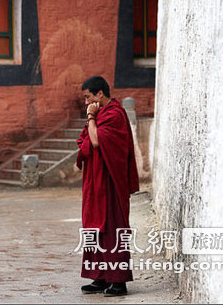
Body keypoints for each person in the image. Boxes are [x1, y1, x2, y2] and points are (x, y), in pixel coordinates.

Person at [76, 76, 139, 296]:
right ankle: (101, 277)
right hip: (96, 182)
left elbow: (95, 141)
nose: (86, 102)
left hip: (111, 182)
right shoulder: (104, 114)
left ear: (100, 94)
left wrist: (91, 117)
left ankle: (118, 281)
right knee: (94, 227)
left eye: (87, 97)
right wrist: (93, 118)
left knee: (112, 229)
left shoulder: (114, 114)